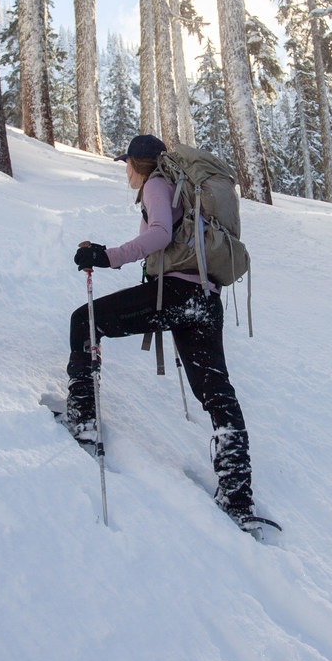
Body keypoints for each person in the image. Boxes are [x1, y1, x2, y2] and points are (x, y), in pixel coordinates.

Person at [66, 134, 254, 523]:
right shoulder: (180, 189)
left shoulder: (155, 185)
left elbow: (160, 235)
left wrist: (107, 256)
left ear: (139, 164)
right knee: (217, 392)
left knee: (85, 320)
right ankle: (237, 492)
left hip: (174, 293)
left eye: (127, 165)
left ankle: (83, 419)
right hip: (205, 298)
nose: (126, 173)